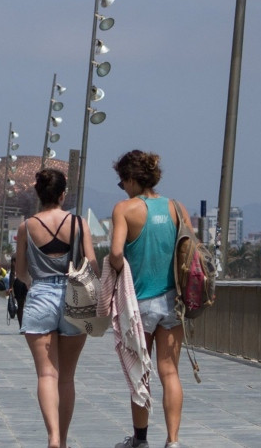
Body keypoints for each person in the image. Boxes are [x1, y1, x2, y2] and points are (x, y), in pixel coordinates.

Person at [108, 149, 184, 448]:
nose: (123, 187)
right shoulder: (177, 208)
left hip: (138, 303)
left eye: (122, 181)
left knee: (140, 373)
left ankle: (140, 440)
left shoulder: (125, 209)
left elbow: (115, 253)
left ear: (130, 179)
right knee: (169, 371)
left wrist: (118, 269)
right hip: (172, 302)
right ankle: (173, 441)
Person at [15, 168, 96, 448]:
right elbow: (93, 265)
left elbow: (21, 272)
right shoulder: (79, 223)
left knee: (46, 373)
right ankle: (62, 440)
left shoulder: (27, 226)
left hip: (40, 297)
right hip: (74, 297)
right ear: (63, 195)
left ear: (39, 195)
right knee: (67, 376)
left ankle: (51, 437)